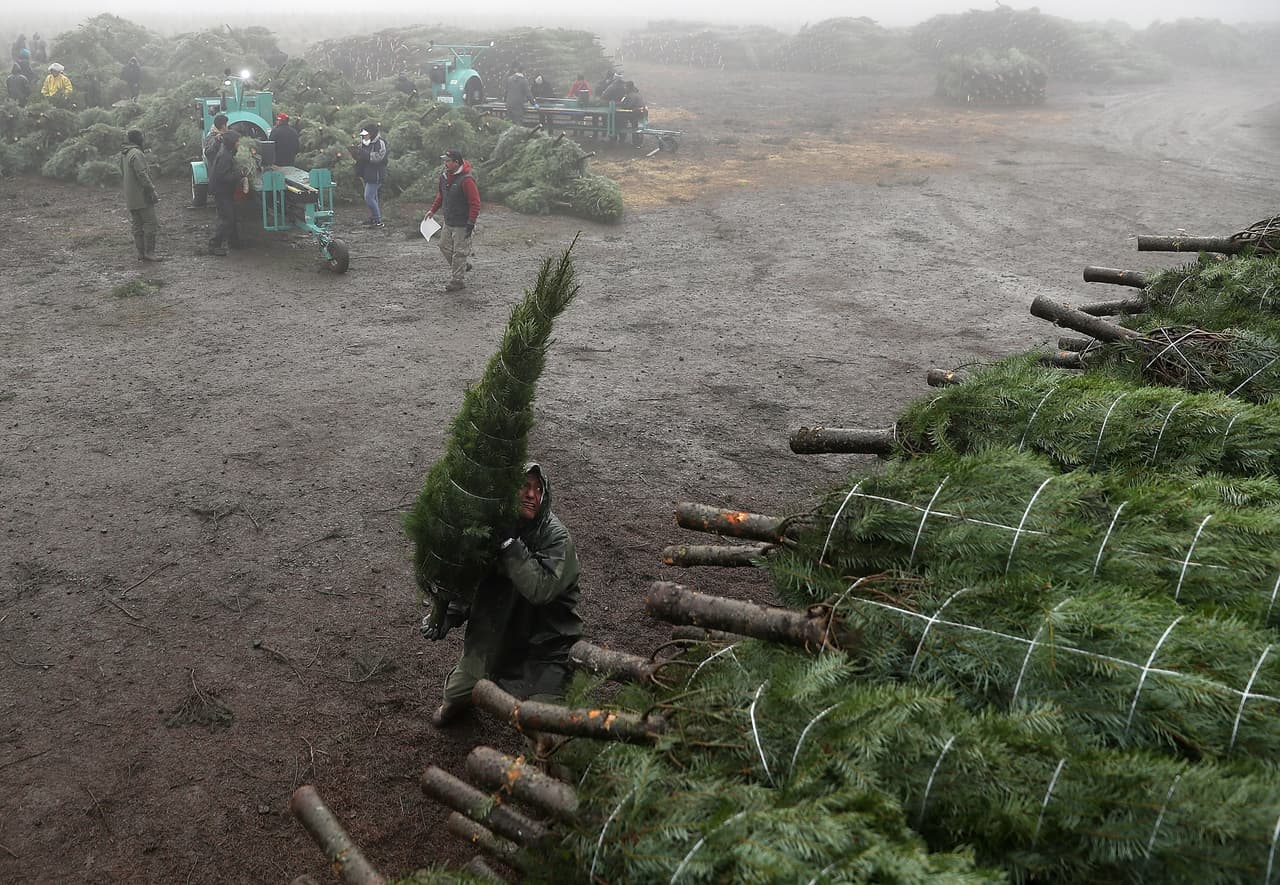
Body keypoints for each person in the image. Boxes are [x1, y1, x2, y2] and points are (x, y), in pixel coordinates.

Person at [425, 463, 582, 728]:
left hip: (544, 651)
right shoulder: (491, 529)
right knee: (452, 703)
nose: (532, 494)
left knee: (545, 728)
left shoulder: (556, 538)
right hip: (494, 643)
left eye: (539, 489)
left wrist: (509, 545)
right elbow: (474, 581)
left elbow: (539, 589)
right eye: (525, 486)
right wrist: (449, 615)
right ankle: (467, 693)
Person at [425, 149, 480, 293]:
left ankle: (457, 281)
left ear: (457, 162)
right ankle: (464, 265)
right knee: (443, 246)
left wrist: (471, 222)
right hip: (448, 221)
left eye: (448, 161)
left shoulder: (467, 180)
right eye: (445, 160)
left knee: (459, 253)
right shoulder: (444, 177)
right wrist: (432, 210)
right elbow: (441, 195)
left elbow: (475, 203)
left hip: (463, 223)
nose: (445, 163)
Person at [120, 129, 163, 262]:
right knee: (151, 223)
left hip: (131, 196)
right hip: (142, 195)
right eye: (142, 137)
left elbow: (123, 172)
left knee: (137, 225)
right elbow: (142, 175)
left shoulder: (124, 154)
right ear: (138, 139)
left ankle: (141, 253)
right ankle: (150, 252)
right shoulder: (137, 153)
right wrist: (151, 190)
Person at [208, 130, 245, 256]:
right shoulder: (225, 157)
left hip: (225, 190)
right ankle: (214, 245)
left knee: (233, 215)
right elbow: (222, 176)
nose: (239, 143)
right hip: (221, 191)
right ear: (232, 143)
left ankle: (234, 242)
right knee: (227, 218)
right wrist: (238, 174)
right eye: (238, 141)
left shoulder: (227, 152)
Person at [352, 123, 388, 227]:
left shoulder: (380, 143)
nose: (363, 137)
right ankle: (374, 218)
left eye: (365, 134)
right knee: (373, 197)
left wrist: (364, 154)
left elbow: (379, 157)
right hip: (366, 173)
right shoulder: (364, 143)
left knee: (368, 197)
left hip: (376, 174)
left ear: (371, 134)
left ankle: (378, 221)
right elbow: (361, 157)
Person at [618, 81, 647, 146]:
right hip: (641, 113)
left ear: (628, 87)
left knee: (621, 120)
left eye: (625, 87)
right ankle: (637, 143)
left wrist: (621, 105)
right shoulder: (637, 93)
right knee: (638, 127)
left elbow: (627, 106)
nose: (624, 88)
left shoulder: (631, 95)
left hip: (636, 113)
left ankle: (622, 138)